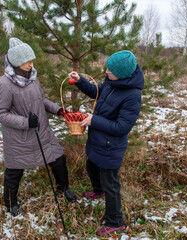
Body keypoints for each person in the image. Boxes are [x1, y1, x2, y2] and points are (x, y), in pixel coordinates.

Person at [0, 38, 77, 217]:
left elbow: (41, 100)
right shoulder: (5, 84)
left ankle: (63, 189)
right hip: (20, 139)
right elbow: (0, 113)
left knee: (58, 158)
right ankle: (10, 203)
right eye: (28, 62)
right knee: (14, 172)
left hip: (42, 132)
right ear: (16, 62)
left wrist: (58, 110)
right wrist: (25, 122)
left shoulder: (32, 78)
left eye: (32, 61)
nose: (32, 65)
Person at [68, 50, 144, 236]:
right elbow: (97, 92)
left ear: (122, 73)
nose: (106, 71)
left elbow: (122, 127)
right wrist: (80, 81)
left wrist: (94, 120)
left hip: (111, 145)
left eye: (110, 70)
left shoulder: (132, 95)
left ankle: (115, 221)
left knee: (111, 183)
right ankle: (98, 190)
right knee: (92, 165)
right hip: (98, 139)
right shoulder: (112, 82)